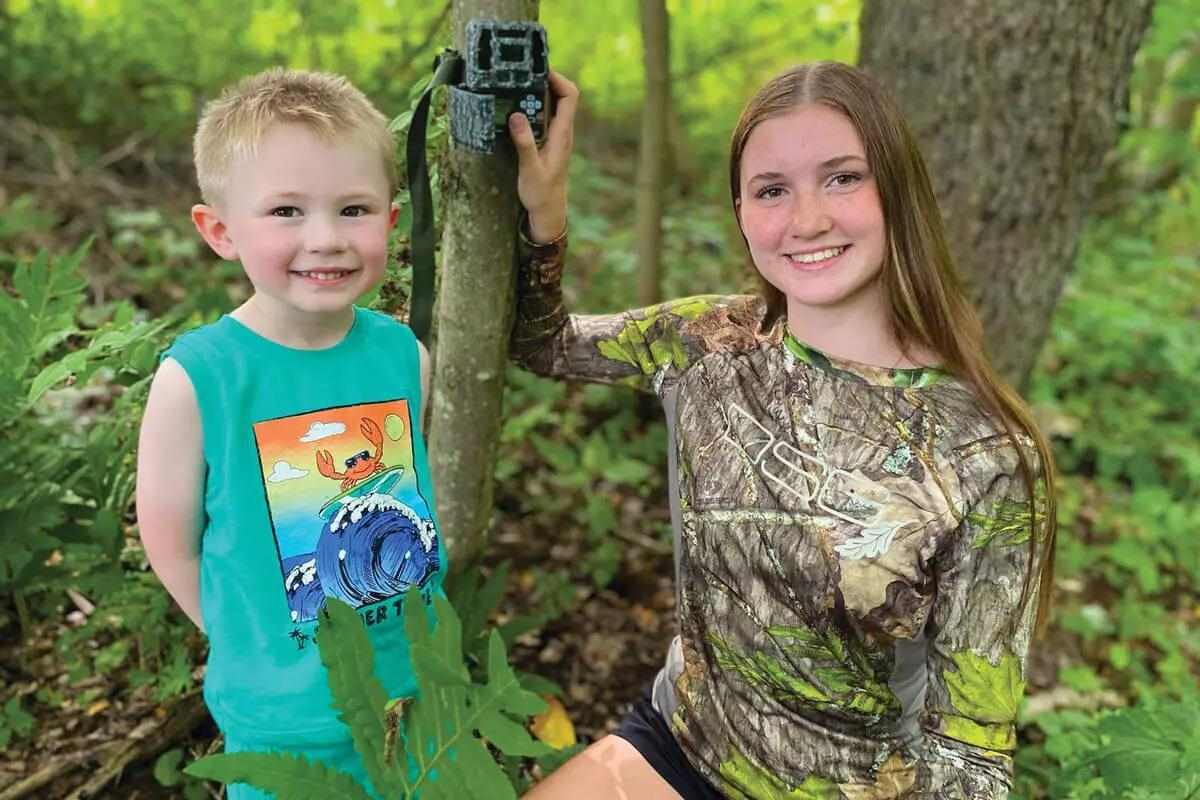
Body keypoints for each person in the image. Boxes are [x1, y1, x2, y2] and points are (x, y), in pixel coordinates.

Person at [509, 63, 1056, 799]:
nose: (807, 220)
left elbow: (971, 753)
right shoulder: (711, 341)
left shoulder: (985, 451)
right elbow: (541, 344)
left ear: (898, 191)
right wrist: (544, 218)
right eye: (772, 190)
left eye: (842, 178)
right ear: (740, 210)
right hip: (681, 744)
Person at [135, 68, 445, 799]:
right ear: (220, 231)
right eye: (285, 211)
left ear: (390, 222)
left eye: (353, 209)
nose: (325, 239)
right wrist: (248, 641)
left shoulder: (404, 355)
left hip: (420, 697)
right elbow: (170, 542)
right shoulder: (200, 379)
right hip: (286, 728)